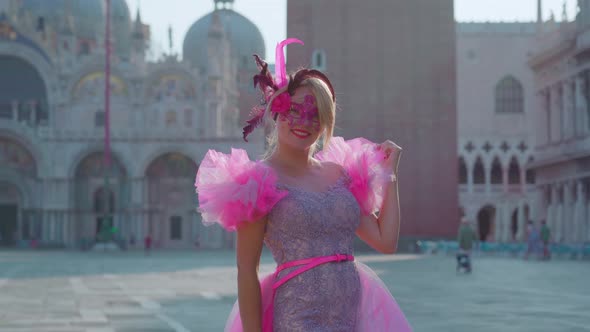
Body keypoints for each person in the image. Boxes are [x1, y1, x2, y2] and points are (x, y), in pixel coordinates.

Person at [195, 38, 411, 332]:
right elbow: (247, 271)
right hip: (298, 318)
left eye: (316, 115)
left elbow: (386, 242)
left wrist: (390, 173)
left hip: (352, 315)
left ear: (325, 123)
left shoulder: (341, 175)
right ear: (277, 111)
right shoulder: (257, 182)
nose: (304, 122)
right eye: (294, 110)